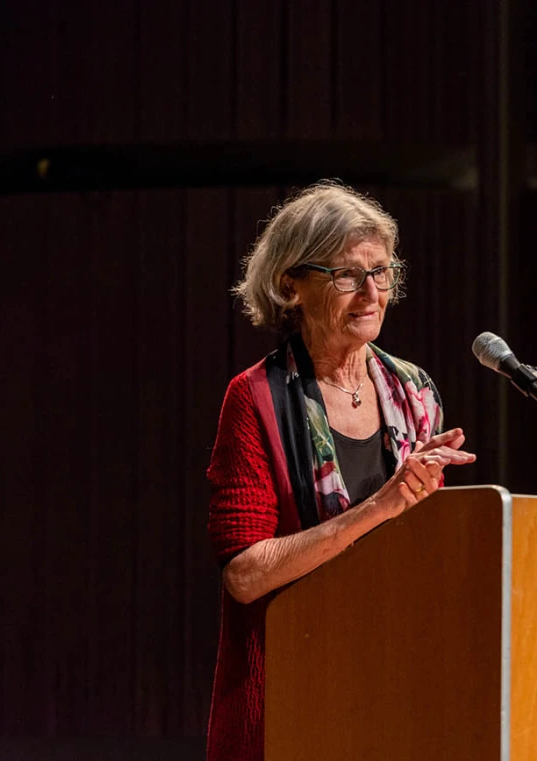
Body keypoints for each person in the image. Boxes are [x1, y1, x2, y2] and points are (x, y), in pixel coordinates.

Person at [205, 182, 476, 761]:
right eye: (347, 275)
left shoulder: (414, 393)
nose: (371, 293)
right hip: (292, 694)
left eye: (382, 272)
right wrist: (383, 506)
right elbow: (246, 576)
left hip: (393, 687)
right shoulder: (254, 399)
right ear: (290, 285)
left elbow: (420, 562)